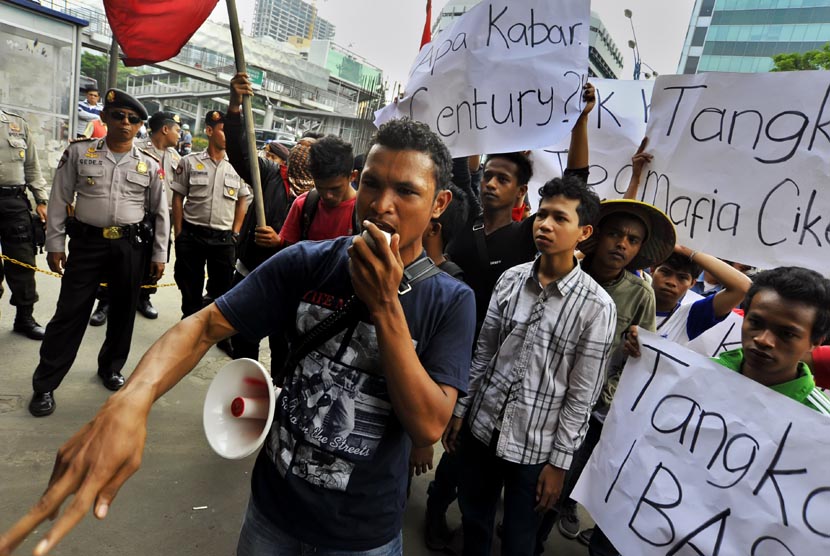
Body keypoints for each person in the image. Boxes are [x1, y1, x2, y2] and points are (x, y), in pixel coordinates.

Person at [0, 118, 476, 556]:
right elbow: (203, 326)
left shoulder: (450, 300)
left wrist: (386, 306)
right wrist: (132, 400)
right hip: (272, 514)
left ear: (438, 204)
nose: (381, 204)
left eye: (406, 192)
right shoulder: (308, 261)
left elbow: (429, 425)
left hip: (362, 534)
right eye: (371, 183)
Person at [425, 84, 596, 552]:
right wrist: (475, 109)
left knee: (468, 461)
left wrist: (580, 120)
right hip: (451, 346)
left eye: (503, 178)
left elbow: (577, 179)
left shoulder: (528, 236)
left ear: (523, 192)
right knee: (453, 460)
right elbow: (459, 162)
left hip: (497, 360)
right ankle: (435, 513)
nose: (490, 183)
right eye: (488, 176)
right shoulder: (464, 219)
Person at [444, 176, 615, 556]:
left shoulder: (597, 307)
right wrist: (461, 410)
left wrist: (559, 464)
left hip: (535, 449)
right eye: (542, 216)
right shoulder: (511, 279)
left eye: (560, 218)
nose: (545, 225)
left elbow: (581, 396)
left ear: (583, 231)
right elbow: (484, 354)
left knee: (520, 538)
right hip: (483, 427)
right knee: (474, 518)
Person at [27, 89, 169, 417]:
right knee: (69, 313)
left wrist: (159, 254)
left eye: (133, 119)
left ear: (140, 127)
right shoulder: (79, 153)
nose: (125, 123)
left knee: (122, 313)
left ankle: (111, 367)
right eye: (118, 115)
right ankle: (45, 384)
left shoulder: (148, 164)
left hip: (130, 246)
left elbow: (160, 212)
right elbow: (60, 198)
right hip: (87, 244)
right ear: (104, 118)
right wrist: (54, 244)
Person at [224, 72, 294, 370]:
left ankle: (278, 398)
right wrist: (235, 106)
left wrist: (282, 243)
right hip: (250, 271)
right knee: (244, 341)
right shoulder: (270, 174)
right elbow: (240, 153)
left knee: (284, 347)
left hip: (290, 283)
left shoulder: (320, 196)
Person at [712, 266, 830, 414]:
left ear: (815, 342)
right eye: (756, 323)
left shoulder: (822, 423)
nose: (763, 340)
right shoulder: (693, 373)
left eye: (786, 334)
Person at [172, 110, 249, 323]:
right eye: (224, 131)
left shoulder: (238, 167)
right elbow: (178, 197)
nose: (229, 137)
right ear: (209, 131)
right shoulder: (188, 162)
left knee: (222, 290)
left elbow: (243, 199)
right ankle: (188, 327)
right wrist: (179, 233)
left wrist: (235, 232)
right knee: (189, 289)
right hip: (192, 236)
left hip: (223, 239)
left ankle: (217, 333)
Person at [0, 108, 48, 340]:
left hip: (13, 202)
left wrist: (41, 199)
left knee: (22, 261)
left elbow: (31, 166)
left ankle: (24, 317)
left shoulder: (16, 123)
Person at [277, 135, 358, 246]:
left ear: (352, 176)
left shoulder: (363, 211)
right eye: (320, 187)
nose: (327, 195)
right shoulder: (304, 204)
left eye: (335, 188)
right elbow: (289, 254)